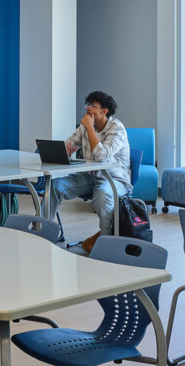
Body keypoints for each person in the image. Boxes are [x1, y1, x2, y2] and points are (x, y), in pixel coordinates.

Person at [53, 90, 131, 253]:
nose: (88, 109)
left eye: (93, 106)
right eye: (88, 105)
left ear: (104, 111)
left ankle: (107, 244)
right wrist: (64, 150)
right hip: (89, 177)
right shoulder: (85, 127)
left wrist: (89, 127)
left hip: (113, 179)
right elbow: (68, 145)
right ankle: (43, 232)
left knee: (102, 195)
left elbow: (102, 156)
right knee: (55, 186)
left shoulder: (117, 128)